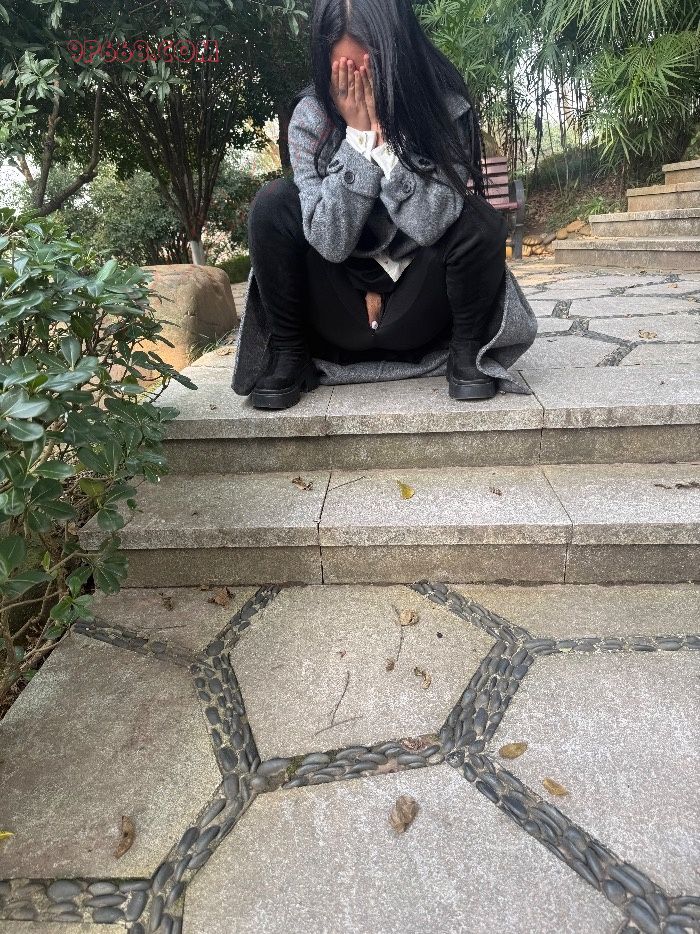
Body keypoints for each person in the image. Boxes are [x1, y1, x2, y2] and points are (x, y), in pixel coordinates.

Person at [232, 0, 538, 410]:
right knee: (272, 204)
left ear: (400, 56)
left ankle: (466, 353)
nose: (358, 89)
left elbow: (432, 222)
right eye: (343, 76)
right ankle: (290, 354)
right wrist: (358, 141)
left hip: (420, 309)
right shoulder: (310, 117)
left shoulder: (443, 109)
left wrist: (386, 148)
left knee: (478, 218)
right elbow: (328, 242)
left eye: (369, 72)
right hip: (336, 307)